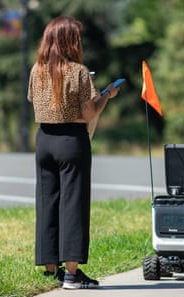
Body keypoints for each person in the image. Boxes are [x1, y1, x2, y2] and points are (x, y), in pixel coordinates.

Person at [27, 16, 120, 290]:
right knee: (73, 205)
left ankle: (49, 269)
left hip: (44, 140)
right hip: (71, 141)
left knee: (47, 201)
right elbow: (88, 112)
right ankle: (72, 275)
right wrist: (107, 95)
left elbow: (34, 100)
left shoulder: (37, 69)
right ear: (71, 40)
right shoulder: (79, 72)